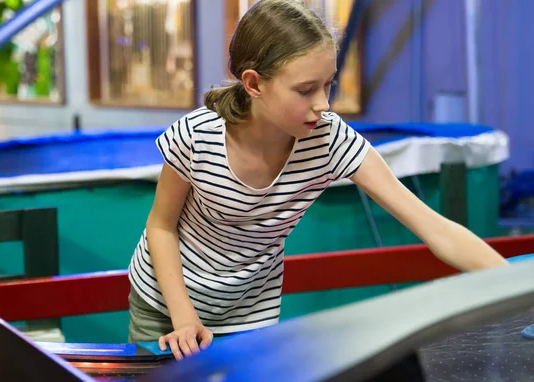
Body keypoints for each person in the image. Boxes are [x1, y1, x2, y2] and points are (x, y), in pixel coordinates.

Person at [126, 0, 508, 361]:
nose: (323, 104)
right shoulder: (197, 136)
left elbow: (434, 227)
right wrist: (183, 317)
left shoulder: (328, 139)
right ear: (254, 83)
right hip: (165, 303)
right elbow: (161, 226)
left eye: (328, 85)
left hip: (249, 311)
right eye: (306, 90)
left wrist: (515, 286)